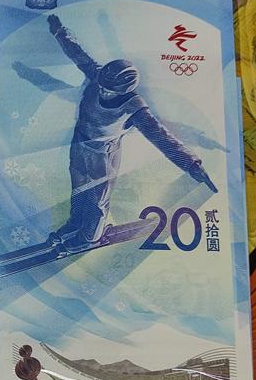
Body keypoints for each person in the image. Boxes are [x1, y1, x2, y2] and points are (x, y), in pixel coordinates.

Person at [27, 13, 216, 248]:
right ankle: (76, 222)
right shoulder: (98, 76)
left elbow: (162, 138)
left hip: (103, 154)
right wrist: (59, 32)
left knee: (97, 196)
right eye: (101, 87)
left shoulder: (135, 108)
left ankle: (90, 236)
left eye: (109, 91)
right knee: (79, 188)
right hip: (80, 143)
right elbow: (78, 53)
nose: (102, 91)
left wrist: (192, 164)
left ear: (124, 91)